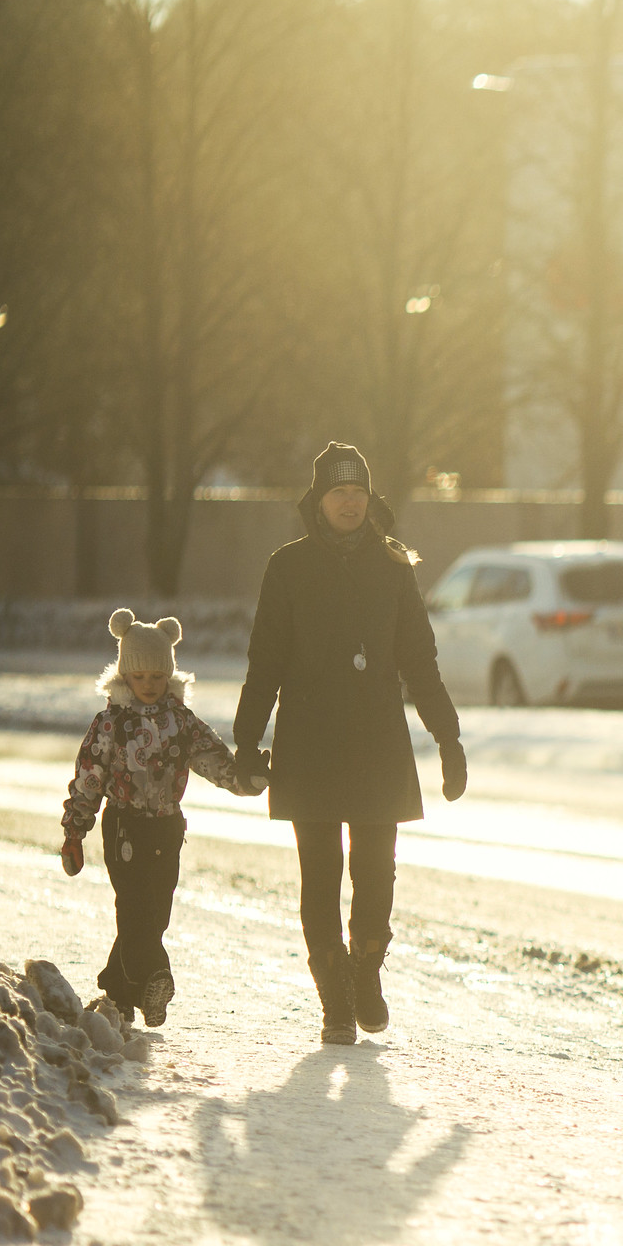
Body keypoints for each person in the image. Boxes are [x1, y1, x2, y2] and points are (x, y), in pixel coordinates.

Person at [232, 443, 467, 1046]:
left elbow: (420, 660)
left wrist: (448, 738)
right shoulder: (288, 567)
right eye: (338, 492)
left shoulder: (393, 567)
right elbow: (266, 661)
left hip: (377, 742)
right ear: (318, 500)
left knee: (375, 873)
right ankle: (333, 996)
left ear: (369, 498)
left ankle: (366, 969)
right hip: (308, 741)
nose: (349, 502)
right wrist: (246, 739)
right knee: (320, 872)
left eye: (358, 492)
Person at [61, 609, 266, 1027]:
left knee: (155, 914)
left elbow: (216, 761)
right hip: (125, 827)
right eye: (141, 677)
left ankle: (117, 994)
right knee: (135, 910)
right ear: (125, 676)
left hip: (168, 827)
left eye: (157, 677)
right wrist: (74, 831)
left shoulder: (182, 723)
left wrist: (249, 780)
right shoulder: (111, 723)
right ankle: (156, 980)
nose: (150, 685)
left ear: (168, 674)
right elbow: (88, 778)